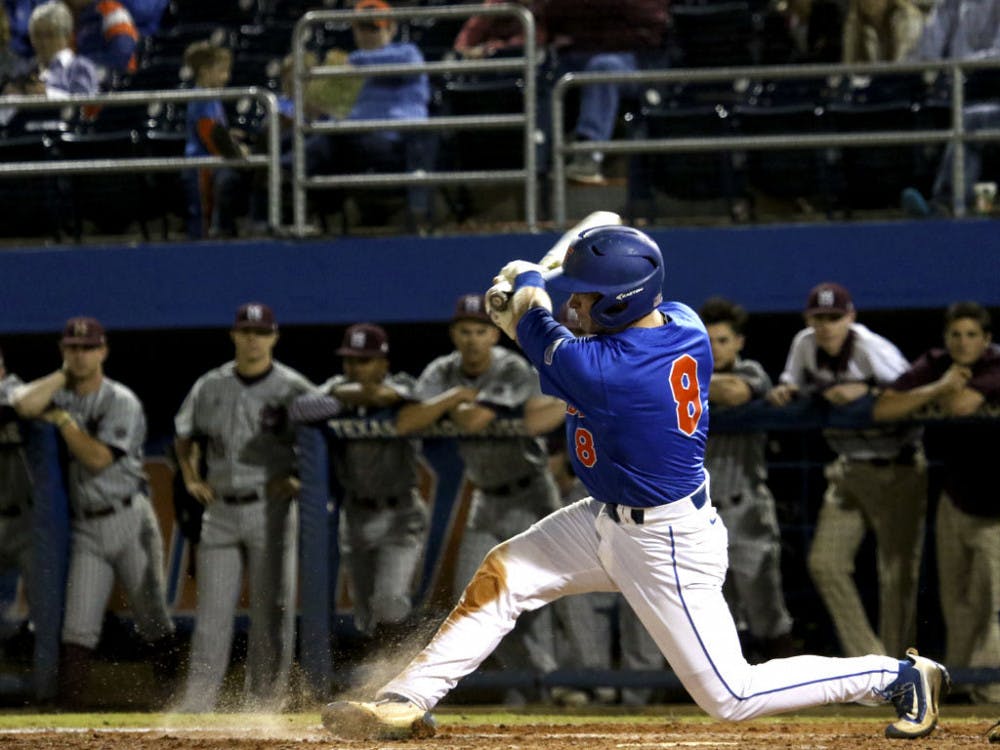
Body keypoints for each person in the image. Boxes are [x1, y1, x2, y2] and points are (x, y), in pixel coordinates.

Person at [321, 224, 949, 742]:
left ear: (623, 303)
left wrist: (524, 289)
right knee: (505, 572)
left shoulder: (606, 371)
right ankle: (407, 698)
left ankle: (894, 676)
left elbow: (543, 331)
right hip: (606, 515)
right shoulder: (681, 322)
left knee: (730, 696)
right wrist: (523, 302)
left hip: (666, 540)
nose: (577, 305)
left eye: (589, 298)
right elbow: (541, 328)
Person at [394, 292, 563, 706]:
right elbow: (407, 421)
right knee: (473, 595)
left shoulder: (510, 367)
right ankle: (529, 682)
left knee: (539, 596)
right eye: (466, 331)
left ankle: (557, 683)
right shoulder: (442, 370)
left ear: (494, 335)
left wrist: (451, 406)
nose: (473, 339)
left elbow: (474, 419)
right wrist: (452, 398)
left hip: (532, 493)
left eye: (482, 331)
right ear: (455, 333)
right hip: (485, 497)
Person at [9, 316, 179, 708]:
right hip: (87, 524)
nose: (81, 355)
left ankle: (174, 699)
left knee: (151, 614)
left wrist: (64, 421)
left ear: (103, 351)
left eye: (88, 348)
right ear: (63, 351)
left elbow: (98, 459)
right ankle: (67, 709)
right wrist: (61, 376)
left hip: (128, 517)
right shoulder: (62, 391)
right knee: (77, 626)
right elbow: (21, 402)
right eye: (72, 347)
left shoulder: (122, 400)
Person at [766, 282, 927, 661]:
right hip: (848, 469)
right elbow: (790, 383)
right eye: (819, 318)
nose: (826, 326)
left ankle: (902, 670)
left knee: (896, 576)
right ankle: (873, 665)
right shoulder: (804, 343)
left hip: (895, 466)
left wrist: (869, 389)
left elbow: (911, 393)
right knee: (825, 563)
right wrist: (784, 392)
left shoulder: (872, 348)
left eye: (834, 318)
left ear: (850, 318)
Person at [173, 302, 315, 713]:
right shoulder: (209, 385)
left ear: (274, 337)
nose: (253, 339)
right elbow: (185, 433)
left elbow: (327, 427)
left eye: (261, 332)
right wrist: (189, 476)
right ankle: (199, 703)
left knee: (272, 611)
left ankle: (265, 702)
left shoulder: (292, 387)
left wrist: (300, 478)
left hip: (269, 508)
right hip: (220, 510)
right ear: (234, 335)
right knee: (212, 614)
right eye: (246, 331)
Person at [873, 301, 1000, 704]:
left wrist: (943, 393)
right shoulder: (937, 364)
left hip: (997, 505)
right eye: (956, 335)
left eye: (972, 335)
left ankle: (991, 688)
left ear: (987, 339)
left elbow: (963, 406)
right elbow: (884, 407)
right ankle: (960, 688)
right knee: (958, 603)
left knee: (996, 606)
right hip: (957, 496)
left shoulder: (997, 364)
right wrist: (941, 387)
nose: (963, 343)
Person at [699, 297, 795, 662]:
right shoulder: (688, 374)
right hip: (702, 515)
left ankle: (793, 693)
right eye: (707, 341)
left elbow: (734, 392)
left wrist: (687, 380)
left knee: (765, 607)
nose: (715, 348)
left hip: (745, 506)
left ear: (738, 341)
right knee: (715, 611)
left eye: (723, 340)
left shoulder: (752, 370)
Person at [322, 323, 429, 641]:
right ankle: (380, 683)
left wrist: (344, 396)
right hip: (356, 513)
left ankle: (403, 675)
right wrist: (339, 394)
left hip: (401, 513)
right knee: (365, 614)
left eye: (365, 361)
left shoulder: (404, 386)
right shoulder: (335, 388)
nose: (355, 368)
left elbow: (388, 395)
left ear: (384, 363)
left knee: (390, 601)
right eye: (350, 361)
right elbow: (306, 403)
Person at [538, 0, 667, 185]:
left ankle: (589, 155)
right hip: (579, 51)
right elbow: (550, 11)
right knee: (544, 75)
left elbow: (651, 16)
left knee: (602, 68)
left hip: (632, 57)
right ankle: (538, 159)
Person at [900, 0, 1000, 216]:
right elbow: (927, 51)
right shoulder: (951, 3)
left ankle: (945, 204)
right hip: (962, 89)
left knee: (972, 120)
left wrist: (957, 68)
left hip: (989, 89)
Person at [181, 39, 247, 240]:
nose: (226, 77)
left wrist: (229, 135)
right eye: (222, 71)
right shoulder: (201, 98)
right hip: (201, 168)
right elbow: (209, 135)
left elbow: (216, 130)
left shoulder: (213, 96)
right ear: (204, 71)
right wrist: (234, 152)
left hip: (211, 164)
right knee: (203, 217)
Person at [0, 0, 98, 129]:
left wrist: (47, 95)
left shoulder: (80, 67)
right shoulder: (27, 70)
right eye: (37, 35)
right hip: (25, 136)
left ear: (67, 36)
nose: (43, 42)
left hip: (65, 136)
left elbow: (84, 108)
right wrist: (10, 97)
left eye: (50, 35)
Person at [0, 346, 35, 645]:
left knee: (46, 612)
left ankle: (50, 688)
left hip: (26, 520)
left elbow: (24, 403)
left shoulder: (17, 390)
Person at [64, 0, 139, 79]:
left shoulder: (110, 9)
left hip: (118, 81)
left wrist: (80, 64)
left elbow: (122, 53)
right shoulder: (68, 17)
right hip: (82, 80)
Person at [841, 0, 930, 62]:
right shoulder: (854, 22)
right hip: (868, 85)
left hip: (902, 83)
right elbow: (849, 66)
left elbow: (902, 65)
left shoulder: (908, 18)